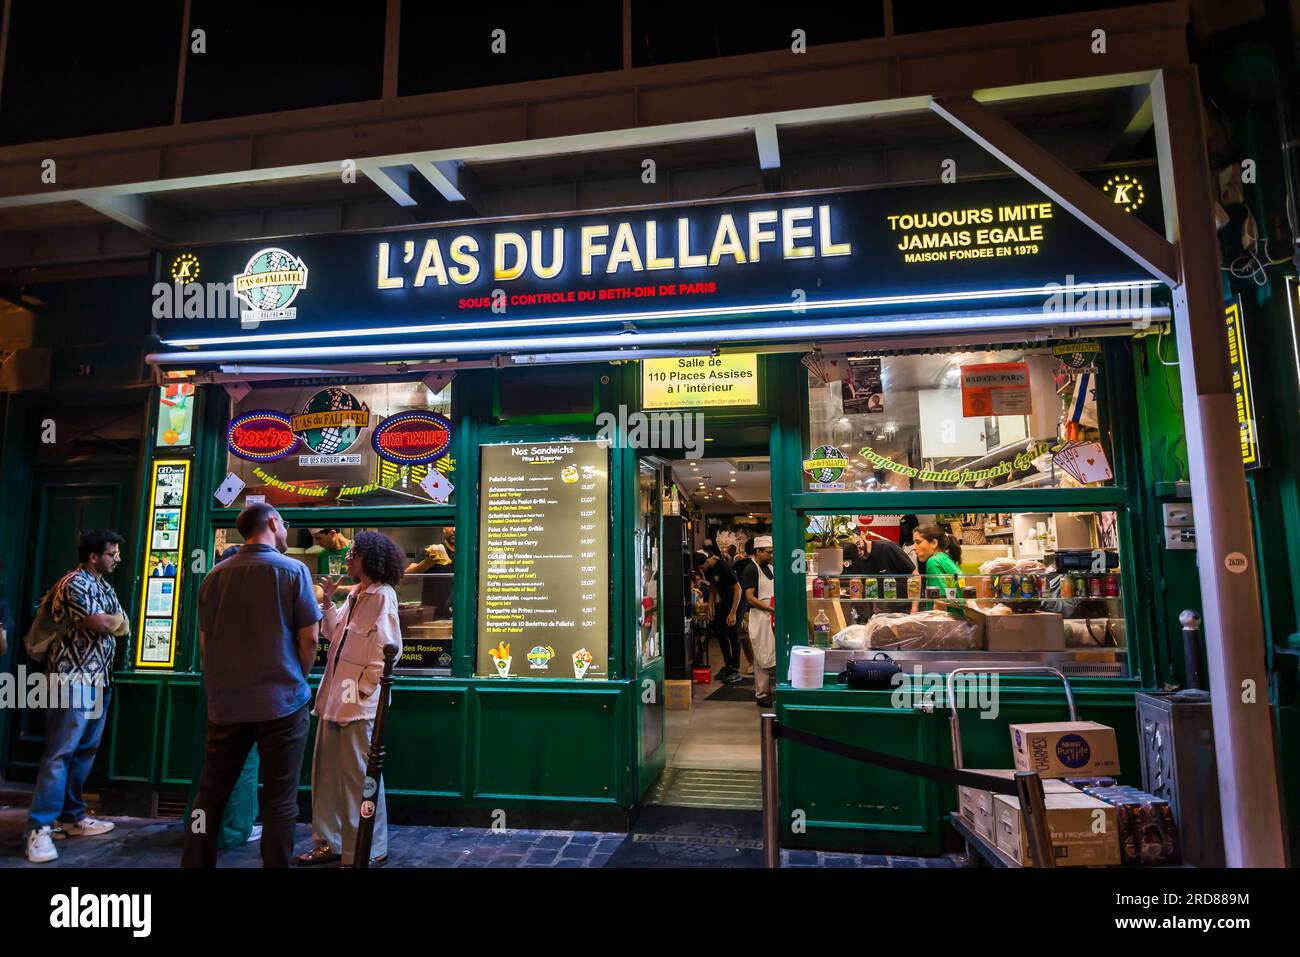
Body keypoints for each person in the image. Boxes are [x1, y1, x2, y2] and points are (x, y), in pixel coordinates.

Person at [183, 504, 321, 868]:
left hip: (227, 705)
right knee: (280, 799)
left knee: (210, 796)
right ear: (273, 523)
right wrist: (298, 678)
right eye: (285, 523)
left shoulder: (213, 576)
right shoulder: (294, 570)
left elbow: (203, 644)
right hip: (283, 703)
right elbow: (310, 639)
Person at [298, 531, 404, 867]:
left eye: (354, 553)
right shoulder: (357, 594)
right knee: (326, 776)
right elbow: (332, 634)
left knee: (359, 777)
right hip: (332, 701)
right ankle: (328, 843)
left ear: (370, 558)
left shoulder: (382, 596)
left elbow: (389, 651)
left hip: (357, 705)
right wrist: (328, 602)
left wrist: (361, 689)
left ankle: (367, 847)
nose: (348, 557)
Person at [25, 529, 128, 864]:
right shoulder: (74, 582)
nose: (116, 559)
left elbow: (124, 624)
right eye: (112, 554)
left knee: (84, 751)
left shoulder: (104, 586)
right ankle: (39, 828)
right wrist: (111, 621)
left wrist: (112, 621)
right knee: (60, 753)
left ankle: (71, 818)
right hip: (71, 678)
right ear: (94, 556)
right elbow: (102, 622)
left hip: (100, 679)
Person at [849, 520, 917, 618]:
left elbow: (915, 575)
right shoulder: (855, 558)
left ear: (863, 535)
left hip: (903, 612)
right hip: (879, 615)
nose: (856, 549)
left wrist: (914, 610)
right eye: (851, 546)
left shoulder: (887, 547)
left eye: (856, 543)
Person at [693, 550, 743, 684]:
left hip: (737, 601)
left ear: (708, 561)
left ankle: (736, 669)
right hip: (725, 600)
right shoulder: (708, 570)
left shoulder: (723, 567)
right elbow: (713, 586)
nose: (702, 570)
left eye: (702, 567)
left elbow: (738, 589)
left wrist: (733, 613)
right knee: (718, 629)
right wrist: (710, 604)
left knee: (732, 632)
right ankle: (728, 665)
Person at [740, 536, 776, 708]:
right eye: (768, 552)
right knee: (762, 656)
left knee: (773, 653)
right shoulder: (750, 569)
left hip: (772, 615)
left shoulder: (769, 568)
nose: (771, 555)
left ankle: (774, 690)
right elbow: (749, 597)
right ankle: (761, 694)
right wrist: (771, 609)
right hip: (760, 616)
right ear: (758, 552)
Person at [406, 526, 455, 620]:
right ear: (443, 528)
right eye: (450, 525)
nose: (454, 530)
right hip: (433, 618)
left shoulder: (471, 554)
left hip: (462, 617)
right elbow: (405, 580)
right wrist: (427, 563)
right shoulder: (432, 551)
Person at [911, 524, 963, 610]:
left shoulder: (933, 561)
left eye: (918, 542)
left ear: (934, 543)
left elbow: (940, 601)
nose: (914, 547)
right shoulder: (944, 558)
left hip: (949, 621)